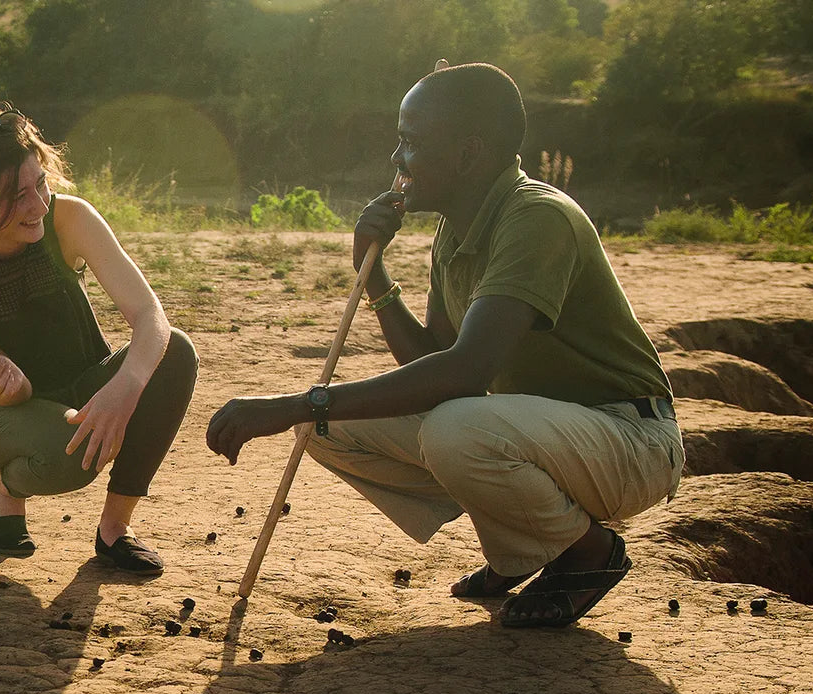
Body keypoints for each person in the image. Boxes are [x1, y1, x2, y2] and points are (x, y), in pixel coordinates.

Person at [205, 63, 682, 626]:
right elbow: (433, 359)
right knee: (327, 424)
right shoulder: (455, 229)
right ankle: (525, 544)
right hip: (543, 437)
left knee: (453, 430)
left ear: (467, 153)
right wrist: (374, 278)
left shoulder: (537, 219)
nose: (396, 160)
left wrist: (293, 405)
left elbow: (464, 372)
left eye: (410, 142)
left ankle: (587, 553)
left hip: (627, 440)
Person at [0, 107, 197, 574]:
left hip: (77, 386)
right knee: (75, 455)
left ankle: (114, 532)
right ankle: (3, 486)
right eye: (18, 196)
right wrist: (12, 385)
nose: (40, 205)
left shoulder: (69, 219)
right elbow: (14, 394)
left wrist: (124, 389)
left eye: (40, 183)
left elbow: (151, 316)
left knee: (176, 352)